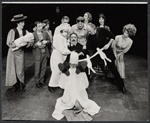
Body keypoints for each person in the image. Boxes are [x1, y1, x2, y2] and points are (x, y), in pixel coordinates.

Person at [52, 51, 100, 121]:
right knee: (85, 102)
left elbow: (61, 86)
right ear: (77, 63)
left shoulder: (66, 73)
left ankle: (71, 104)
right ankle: (78, 104)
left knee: (63, 102)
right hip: (81, 97)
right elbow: (86, 85)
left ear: (69, 63)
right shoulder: (82, 73)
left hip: (68, 97)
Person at [95, 13, 127, 94]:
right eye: (99, 19)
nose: (101, 20)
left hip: (107, 49)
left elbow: (112, 37)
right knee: (91, 62)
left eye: (102, 19)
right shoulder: (96, 28)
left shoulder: (106, 28)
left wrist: (108, 45)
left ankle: (122, 86)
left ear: (104, 20)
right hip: (99, 50)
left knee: (112, 66)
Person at [5, 14, 33, 92]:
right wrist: (16, 44)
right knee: (12, 68)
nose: (23, 24)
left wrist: (28, 43)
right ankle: (15, 85)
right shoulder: (12, 31)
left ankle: (21, 84)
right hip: (13, 53)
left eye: (23, 22)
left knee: (20, 69)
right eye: (21, 23)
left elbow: (30, 42)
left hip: (20, 53)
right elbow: (9, 43)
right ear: (17, 23)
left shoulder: (25, 32)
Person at [48, 23, 71, 93]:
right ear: (61, 31)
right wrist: (70, 52)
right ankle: (50, 85)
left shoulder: (63, 37)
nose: (66, 33)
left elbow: (64, 46)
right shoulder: (58, 37)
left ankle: (57, 84)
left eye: (67, 32)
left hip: (60, 55)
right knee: (56, 71)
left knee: (59, 71)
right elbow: (62, 49)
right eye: (65, 31)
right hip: (56, 55)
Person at [32, 21, 51, 88]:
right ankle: (37, 82)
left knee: (43, 68)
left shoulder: (45, 33)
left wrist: (47, 42)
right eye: (39, 26)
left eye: (41, 26)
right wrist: (36, 44)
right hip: (37, 54)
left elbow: (49, 41)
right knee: (37, 69)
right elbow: (31, 45)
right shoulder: (33, 34)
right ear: (35, 27)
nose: (40, 28)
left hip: (45, 53)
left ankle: (41, 81)